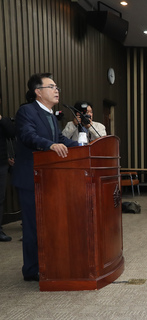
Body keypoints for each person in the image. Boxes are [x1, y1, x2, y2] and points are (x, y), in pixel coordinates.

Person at [13, 73, 79, 281]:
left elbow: (60, 139)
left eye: (56, 86)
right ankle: (31, 270)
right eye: (51, 86)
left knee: (49, 223)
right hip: (30, 178)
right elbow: (28, 135)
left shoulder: (50, 115)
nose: (56, 90)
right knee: (33, 226)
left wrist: (84, 147)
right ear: (38, 92)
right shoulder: (27, 111)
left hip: (49, 178)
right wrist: (49, 145)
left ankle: (48, 263)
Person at [0, 102, 16, 242]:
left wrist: (1, 120)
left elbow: (12, 133)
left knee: (0, 198)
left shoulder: (3, 121)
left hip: (1, 163)